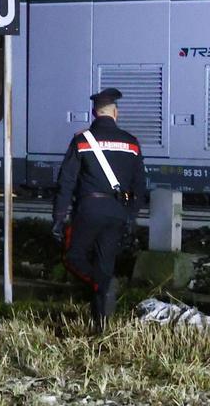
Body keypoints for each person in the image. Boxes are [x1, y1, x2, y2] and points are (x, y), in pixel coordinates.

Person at [51, 88, 146, 330]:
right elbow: (140, 185)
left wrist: (59, 217)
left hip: (89, 208)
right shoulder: (131, 142)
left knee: (73, 257)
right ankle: (101, 324)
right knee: (105, 263)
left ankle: (102, 285)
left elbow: (66, 181)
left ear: (95, 113)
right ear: (116, 113)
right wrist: (131, 215)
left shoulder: (82, 140)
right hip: (117, 211)